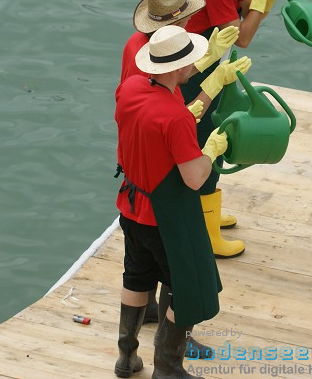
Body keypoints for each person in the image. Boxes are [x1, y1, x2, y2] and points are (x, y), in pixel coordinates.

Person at [114, 25, 252, 379]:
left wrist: (213, 84)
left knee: (136, 277)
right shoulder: (174, 117)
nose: (197, 63)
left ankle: (126, 358)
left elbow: (170, 118)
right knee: (185, 289)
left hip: (131, 207)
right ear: (176, 68)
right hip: (165, 219)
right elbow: (194, 177)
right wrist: (211, 150)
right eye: (192, 58)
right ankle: (168, 367)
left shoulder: (131, 89)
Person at [181, 0, 287, 257]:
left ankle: (207, 210)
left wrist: (263, 0)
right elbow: (243, 38)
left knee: (214, 132)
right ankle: (206, 233)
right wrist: (262, 0)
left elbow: (246, 15)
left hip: (211, 60)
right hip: (193, 72)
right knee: (206, 139)